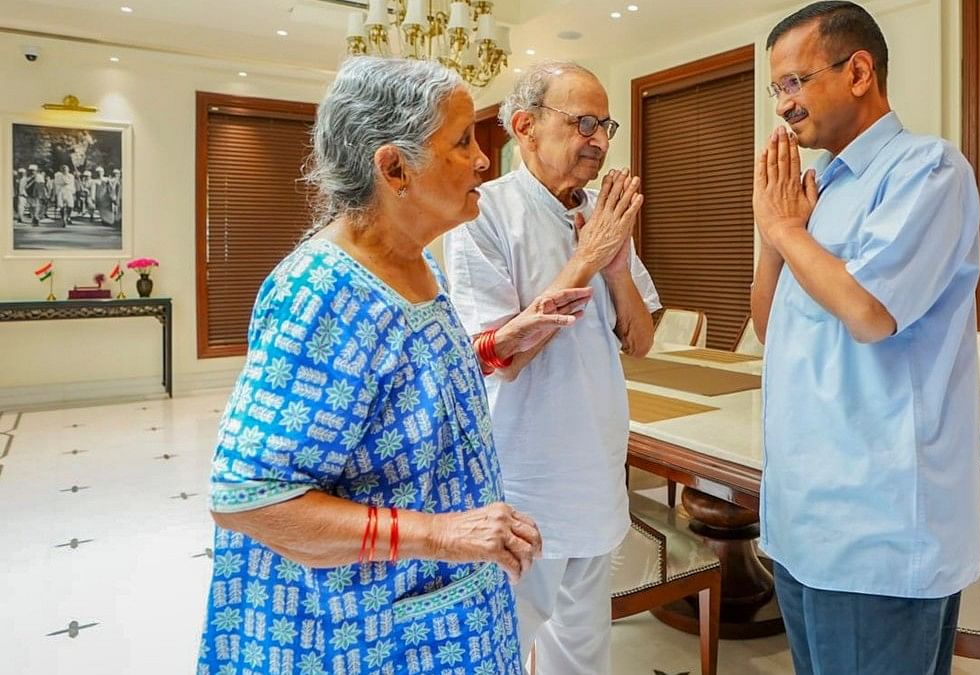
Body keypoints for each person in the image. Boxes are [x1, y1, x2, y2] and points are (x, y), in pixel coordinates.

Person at [197, 56, 596, 675]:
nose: (484, 160)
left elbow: (409, 384)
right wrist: (442, 534)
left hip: (441, 611)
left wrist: (503, 340)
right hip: (370, 633)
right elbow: (247, 498)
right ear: (393, 167)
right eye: (462, 141)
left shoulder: (413, 265)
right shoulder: (323, 292)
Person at [751, 3, 980, 674]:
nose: (784, 106)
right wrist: (774, 232)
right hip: (802, 518)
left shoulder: (927, 170)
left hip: (875, 527)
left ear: (858, 71)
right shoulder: (814, 188)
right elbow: (770, 327)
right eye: (778, 89)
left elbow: (870, 311)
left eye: (794, 82)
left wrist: (788, 230)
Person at [443, 61, 659, 674]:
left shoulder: (602, 213)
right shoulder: (484, 213)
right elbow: (501, 356)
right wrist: (589, 258)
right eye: (582, 122)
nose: (598, 138)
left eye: (605, 124)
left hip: (596, 470)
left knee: (583, 654)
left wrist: (616, 266)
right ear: (525, 127)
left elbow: (640, 342)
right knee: (501, 650)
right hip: (525, 479)